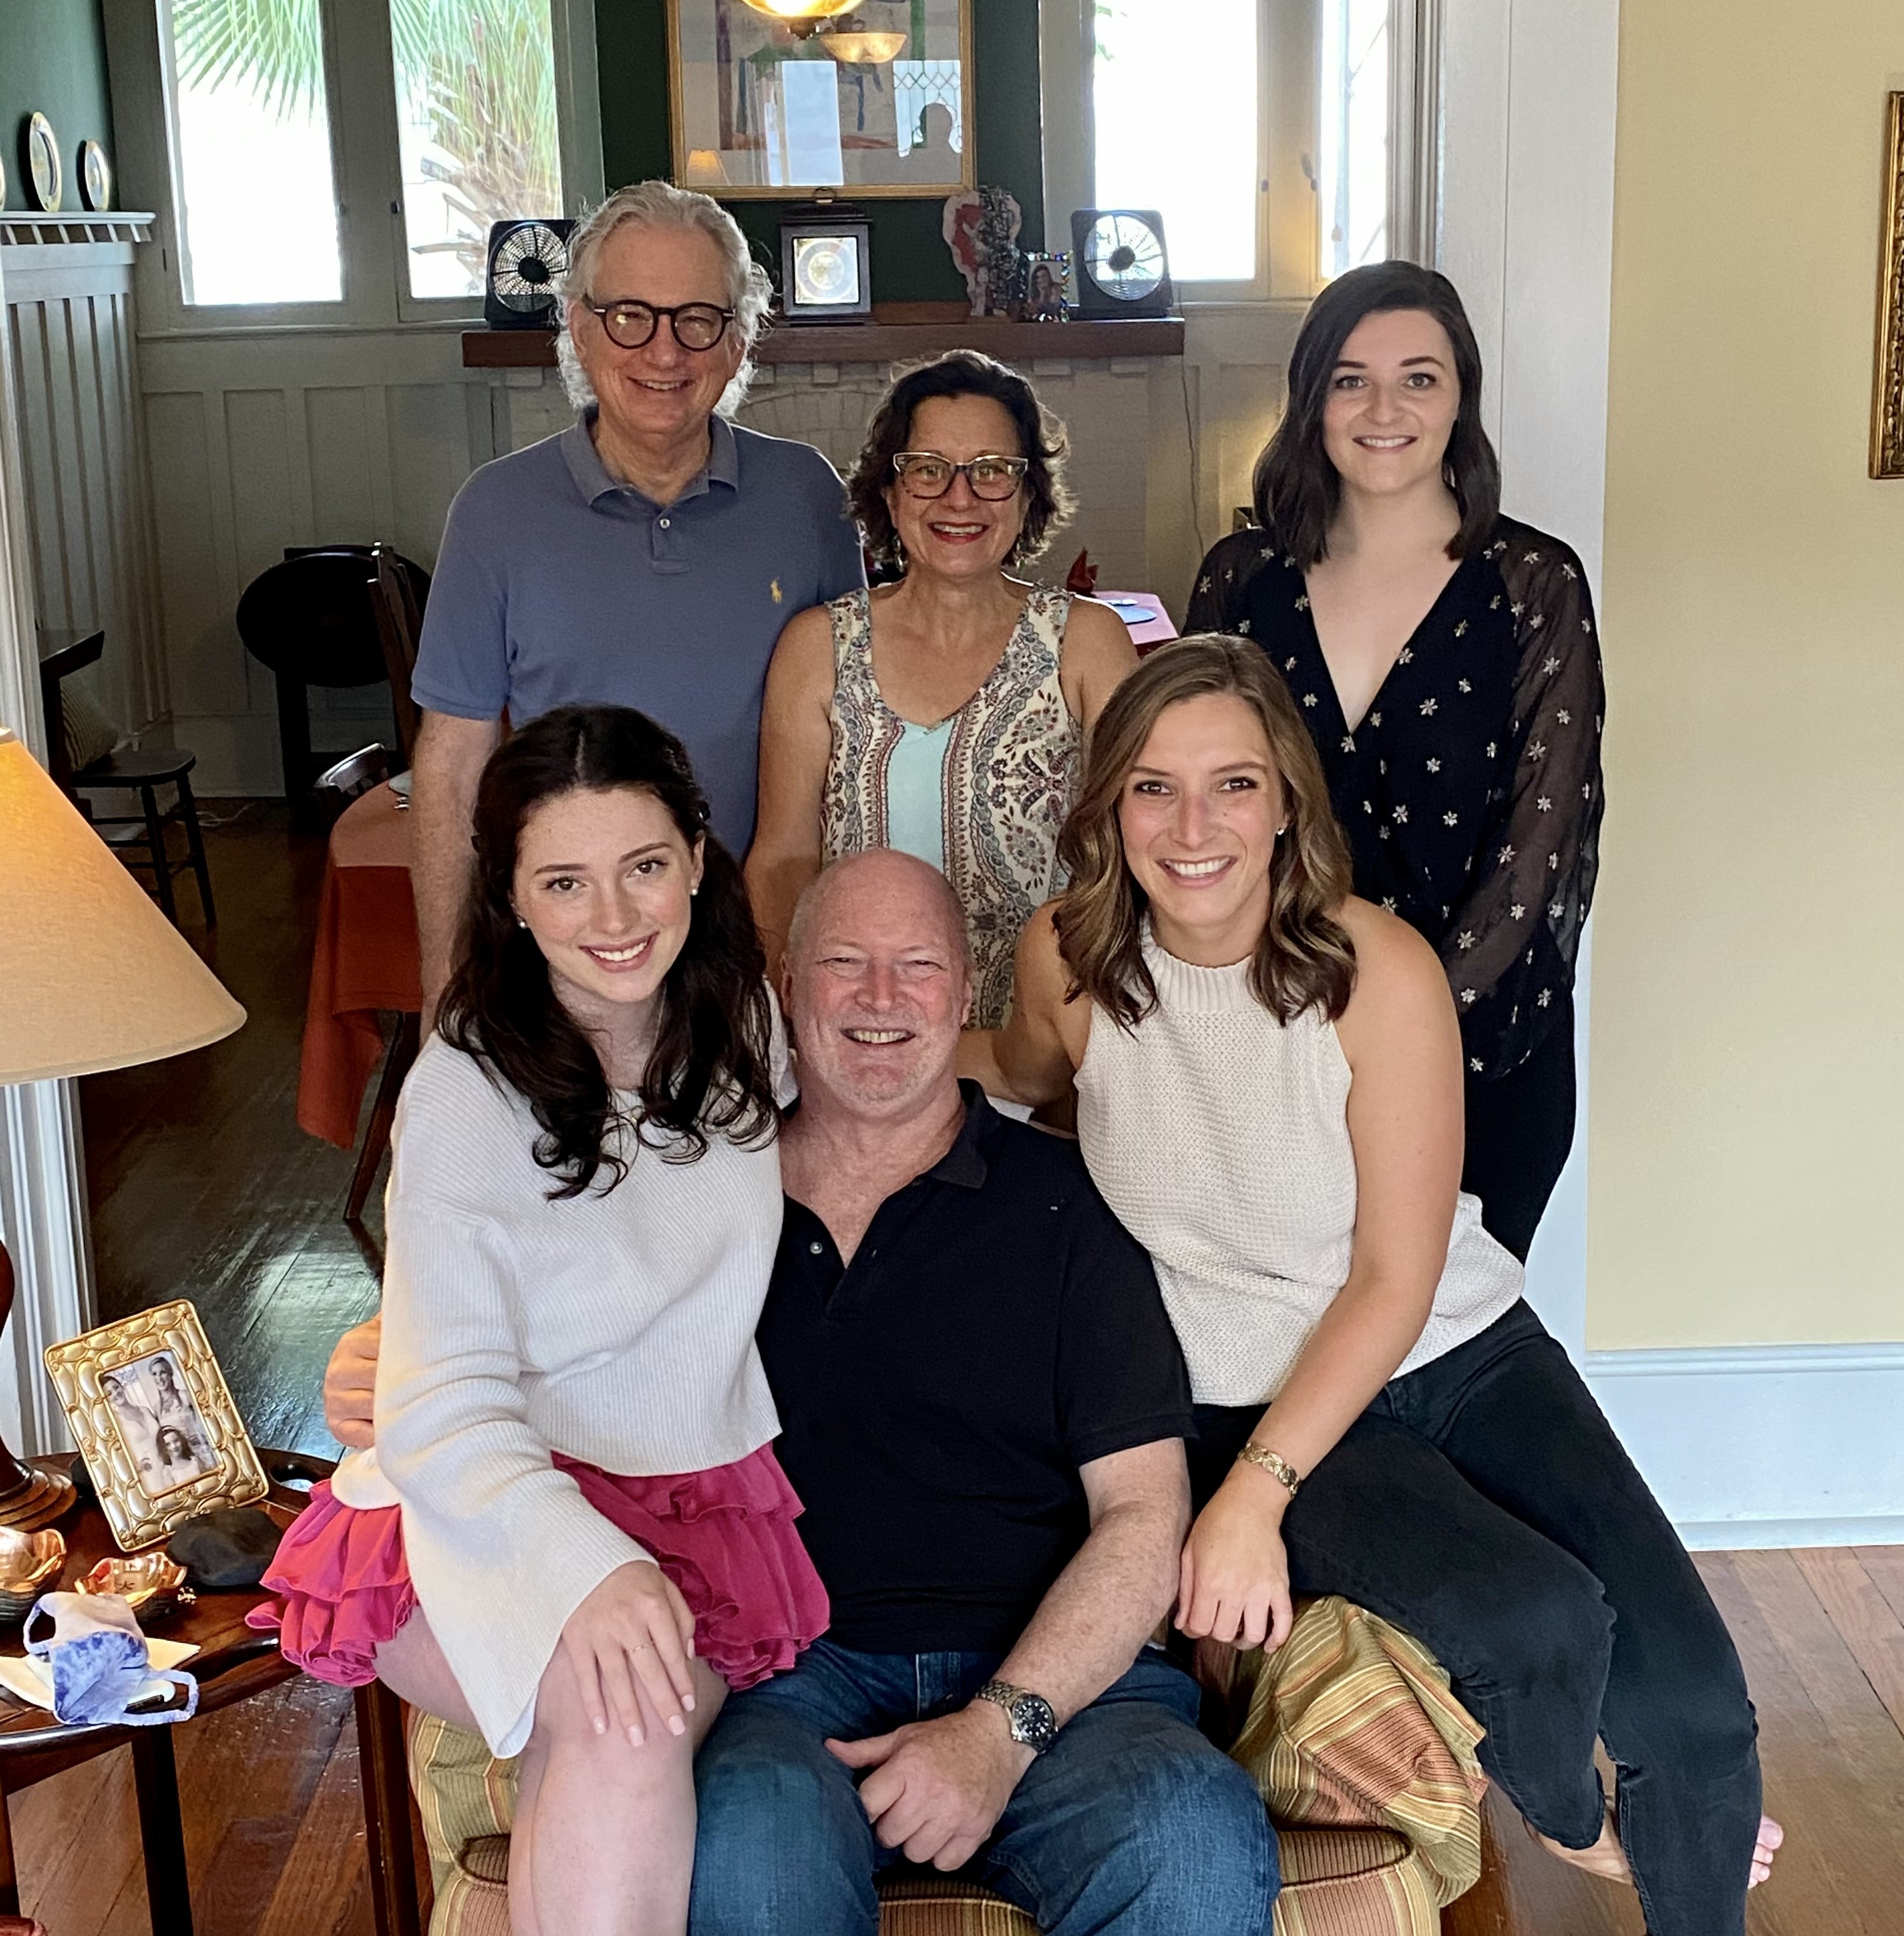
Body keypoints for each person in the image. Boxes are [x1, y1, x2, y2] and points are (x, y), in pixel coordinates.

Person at [969, 639, 1779, 1936]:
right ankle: (1573, 1818)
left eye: (1233, 784)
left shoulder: (1375, 968)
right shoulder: (1067, 961)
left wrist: (1248, 1502)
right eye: (1154, 788)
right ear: (1108, 804)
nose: (1193, 827)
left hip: (1455, 1353)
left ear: (1287, 799)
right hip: (1248, 1386)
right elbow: (1007, 1069)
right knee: (1536, 1619)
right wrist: (846, 1054)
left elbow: (1399, 1277)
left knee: (1691, 1697)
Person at [323, 848, 1281, 1936]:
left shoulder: (1067, 1203)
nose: (880, 998)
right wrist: (385, 1351)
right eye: (843, 963)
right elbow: (503, 1326)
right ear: (784, 989)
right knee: (746, 1864)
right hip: (787, 1680)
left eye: (917, 965)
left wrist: (996, 1729)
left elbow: (1143, 1515)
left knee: (1192, 1836)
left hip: (1065, 1692)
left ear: (968, 996)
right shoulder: (686, 1188)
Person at [250, 706, 829, 1936]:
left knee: (627, 1719)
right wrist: (588, 1565)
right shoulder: (464, 1084)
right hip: (476, 1497)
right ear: (509, 897)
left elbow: (902, 1093)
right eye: (562, 881)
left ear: (696, 855)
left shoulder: (743, 1029)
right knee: (625, 1716)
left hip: (693, 1491)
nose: (612, 918)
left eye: (642, 867)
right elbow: (445, 1401)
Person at [1184, 261, 1603, 1262]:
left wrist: (1393, 1037)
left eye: (1419, 377)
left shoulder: (1533, 585)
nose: (1384, 408)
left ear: (1461, 397)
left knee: (1444, 1355)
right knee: (1278, 1351)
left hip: (1479, 1055)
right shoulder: (1240, 580)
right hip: (1262, 1037)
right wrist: (1277, 1030)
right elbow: (1192, 812)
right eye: (1350, 378)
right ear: (1310, 399)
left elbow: (1538, 852)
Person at [409, 181, 866, 1020]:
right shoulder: (495, 511)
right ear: (580, 331)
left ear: (738, 343)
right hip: (574, 954)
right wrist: (448, 996)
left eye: (698, 318)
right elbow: (449, 769)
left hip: (761, 951)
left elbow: (859, 739)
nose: (666, 352)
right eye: (630, 317)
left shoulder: (806, 496)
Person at [744, 351, 1137, 1024]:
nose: (961, 497)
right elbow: (783, 858)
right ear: (891, 495)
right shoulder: (818, 646)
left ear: (1026, 494)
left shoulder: (1087, 642)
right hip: (863, 1034)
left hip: (1048, 1038)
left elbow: (1131, 854)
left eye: (992, 471)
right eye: (928, 469)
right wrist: (802, 1019)